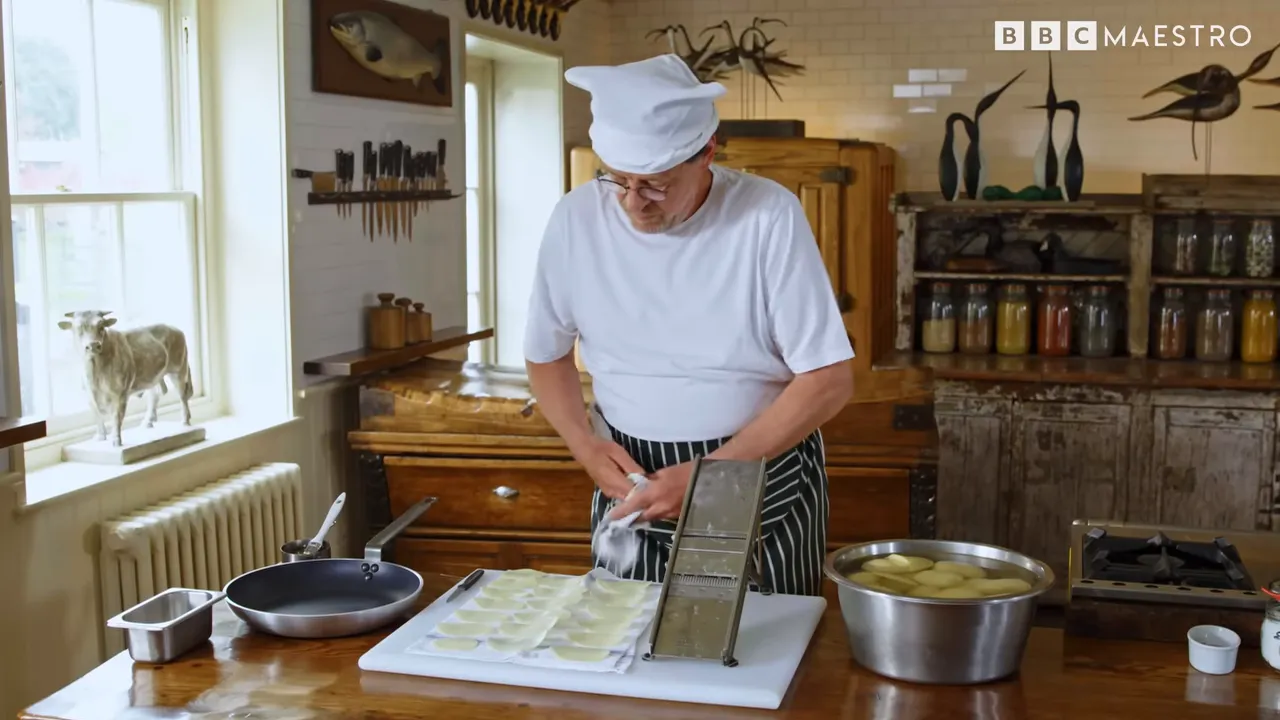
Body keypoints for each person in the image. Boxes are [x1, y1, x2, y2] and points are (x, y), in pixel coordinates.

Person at [522, 54, 854, 596]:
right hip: (631, 474)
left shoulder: (768, 215)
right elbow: (545, 354)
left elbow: (829, 378)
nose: (633, 204)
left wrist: (710, 474)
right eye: (617, 180)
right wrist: (582, 444)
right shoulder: (575, 218)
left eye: (654, 186)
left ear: (708, 152)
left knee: (766, 649)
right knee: (625, 652)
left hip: (754, 469)